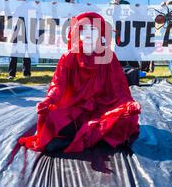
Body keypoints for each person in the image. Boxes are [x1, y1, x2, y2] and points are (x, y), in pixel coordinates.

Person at [19, 12, 141, 153]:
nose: (88, 33)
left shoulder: (109, 57)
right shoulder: (69, 57)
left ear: (100, 32)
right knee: (51, 117)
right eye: (84, 29)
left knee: (127, 118)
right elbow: (58, 85)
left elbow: (118, 88)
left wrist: (128, 104)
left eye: (93, 29)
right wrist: (48, 100)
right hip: (74, 109)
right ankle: (95, 136)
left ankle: (76, 137)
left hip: (103, 108)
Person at [7, 0, 31, 80]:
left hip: (27, 29)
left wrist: (38, 5)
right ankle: (11, 74)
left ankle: (26, 73)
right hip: (17, 29)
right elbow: (10, 16)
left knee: (27, 52)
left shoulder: (29, 4)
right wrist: (6, 4)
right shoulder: (14, 4)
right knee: (14, 53)